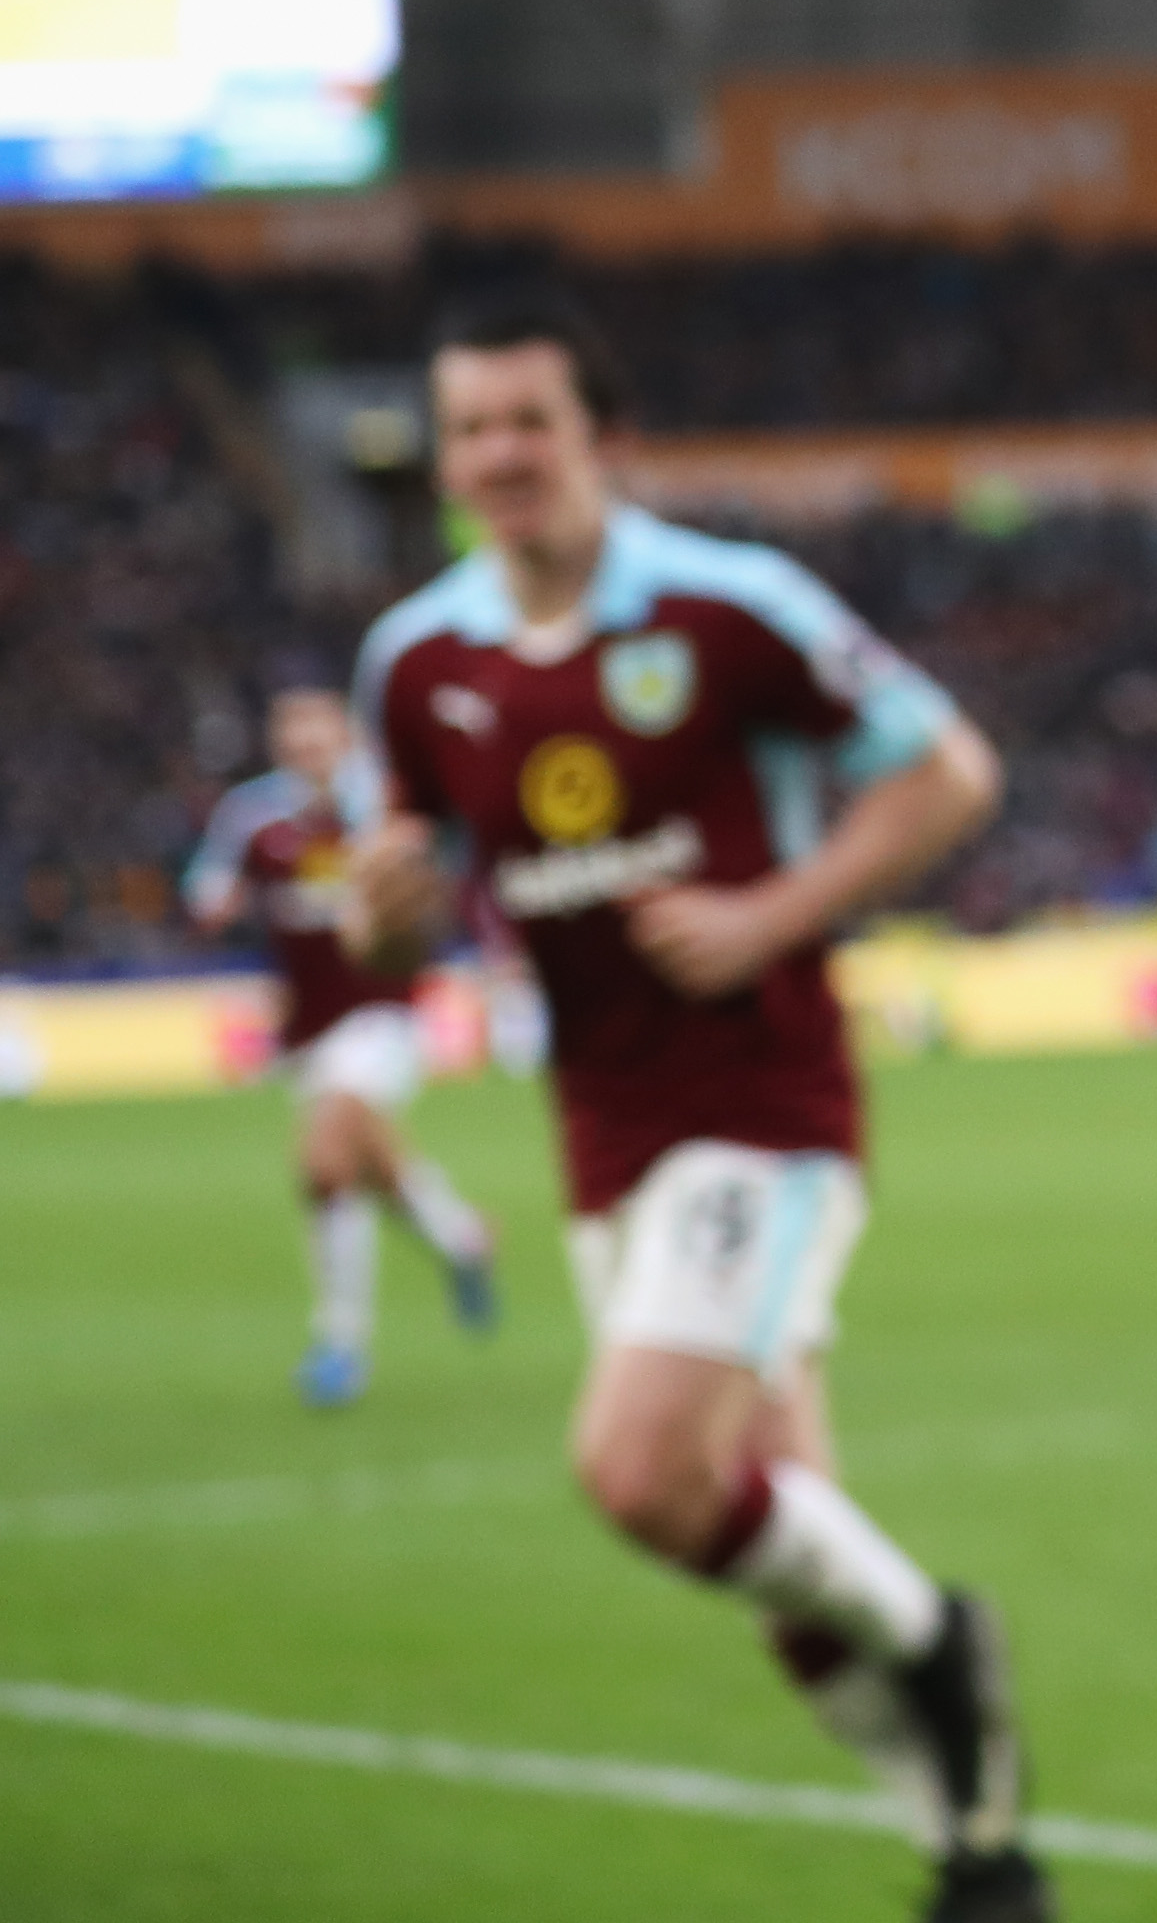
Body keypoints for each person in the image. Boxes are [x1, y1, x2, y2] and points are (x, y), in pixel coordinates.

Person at [347, 289, 1053, 1923]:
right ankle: (978, 1857)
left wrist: (771, 914)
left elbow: (949, 772)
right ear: (441, 462)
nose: (501, 454)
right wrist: (380, 919)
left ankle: (943, 1644)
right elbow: (408, 915)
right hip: (601, 1129)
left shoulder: (731, 609)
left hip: (760, 1098)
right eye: (471, 429)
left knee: (642, 1472)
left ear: (605, 438)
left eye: (531, 420)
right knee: (783, 1550)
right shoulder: (418, 662)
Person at [187, 680, 498, 1404]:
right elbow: (206, 891)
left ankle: (339, 1343)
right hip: (307, 1028)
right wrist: (219, 908)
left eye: (320, 735)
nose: (307, 749)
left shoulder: (386, 808)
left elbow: (453, 872)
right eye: (294, 737)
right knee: (372, 1166)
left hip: (384, 1013)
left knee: (326, 1163)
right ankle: (461, 1239)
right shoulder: (252, 816)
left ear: (347, 740)